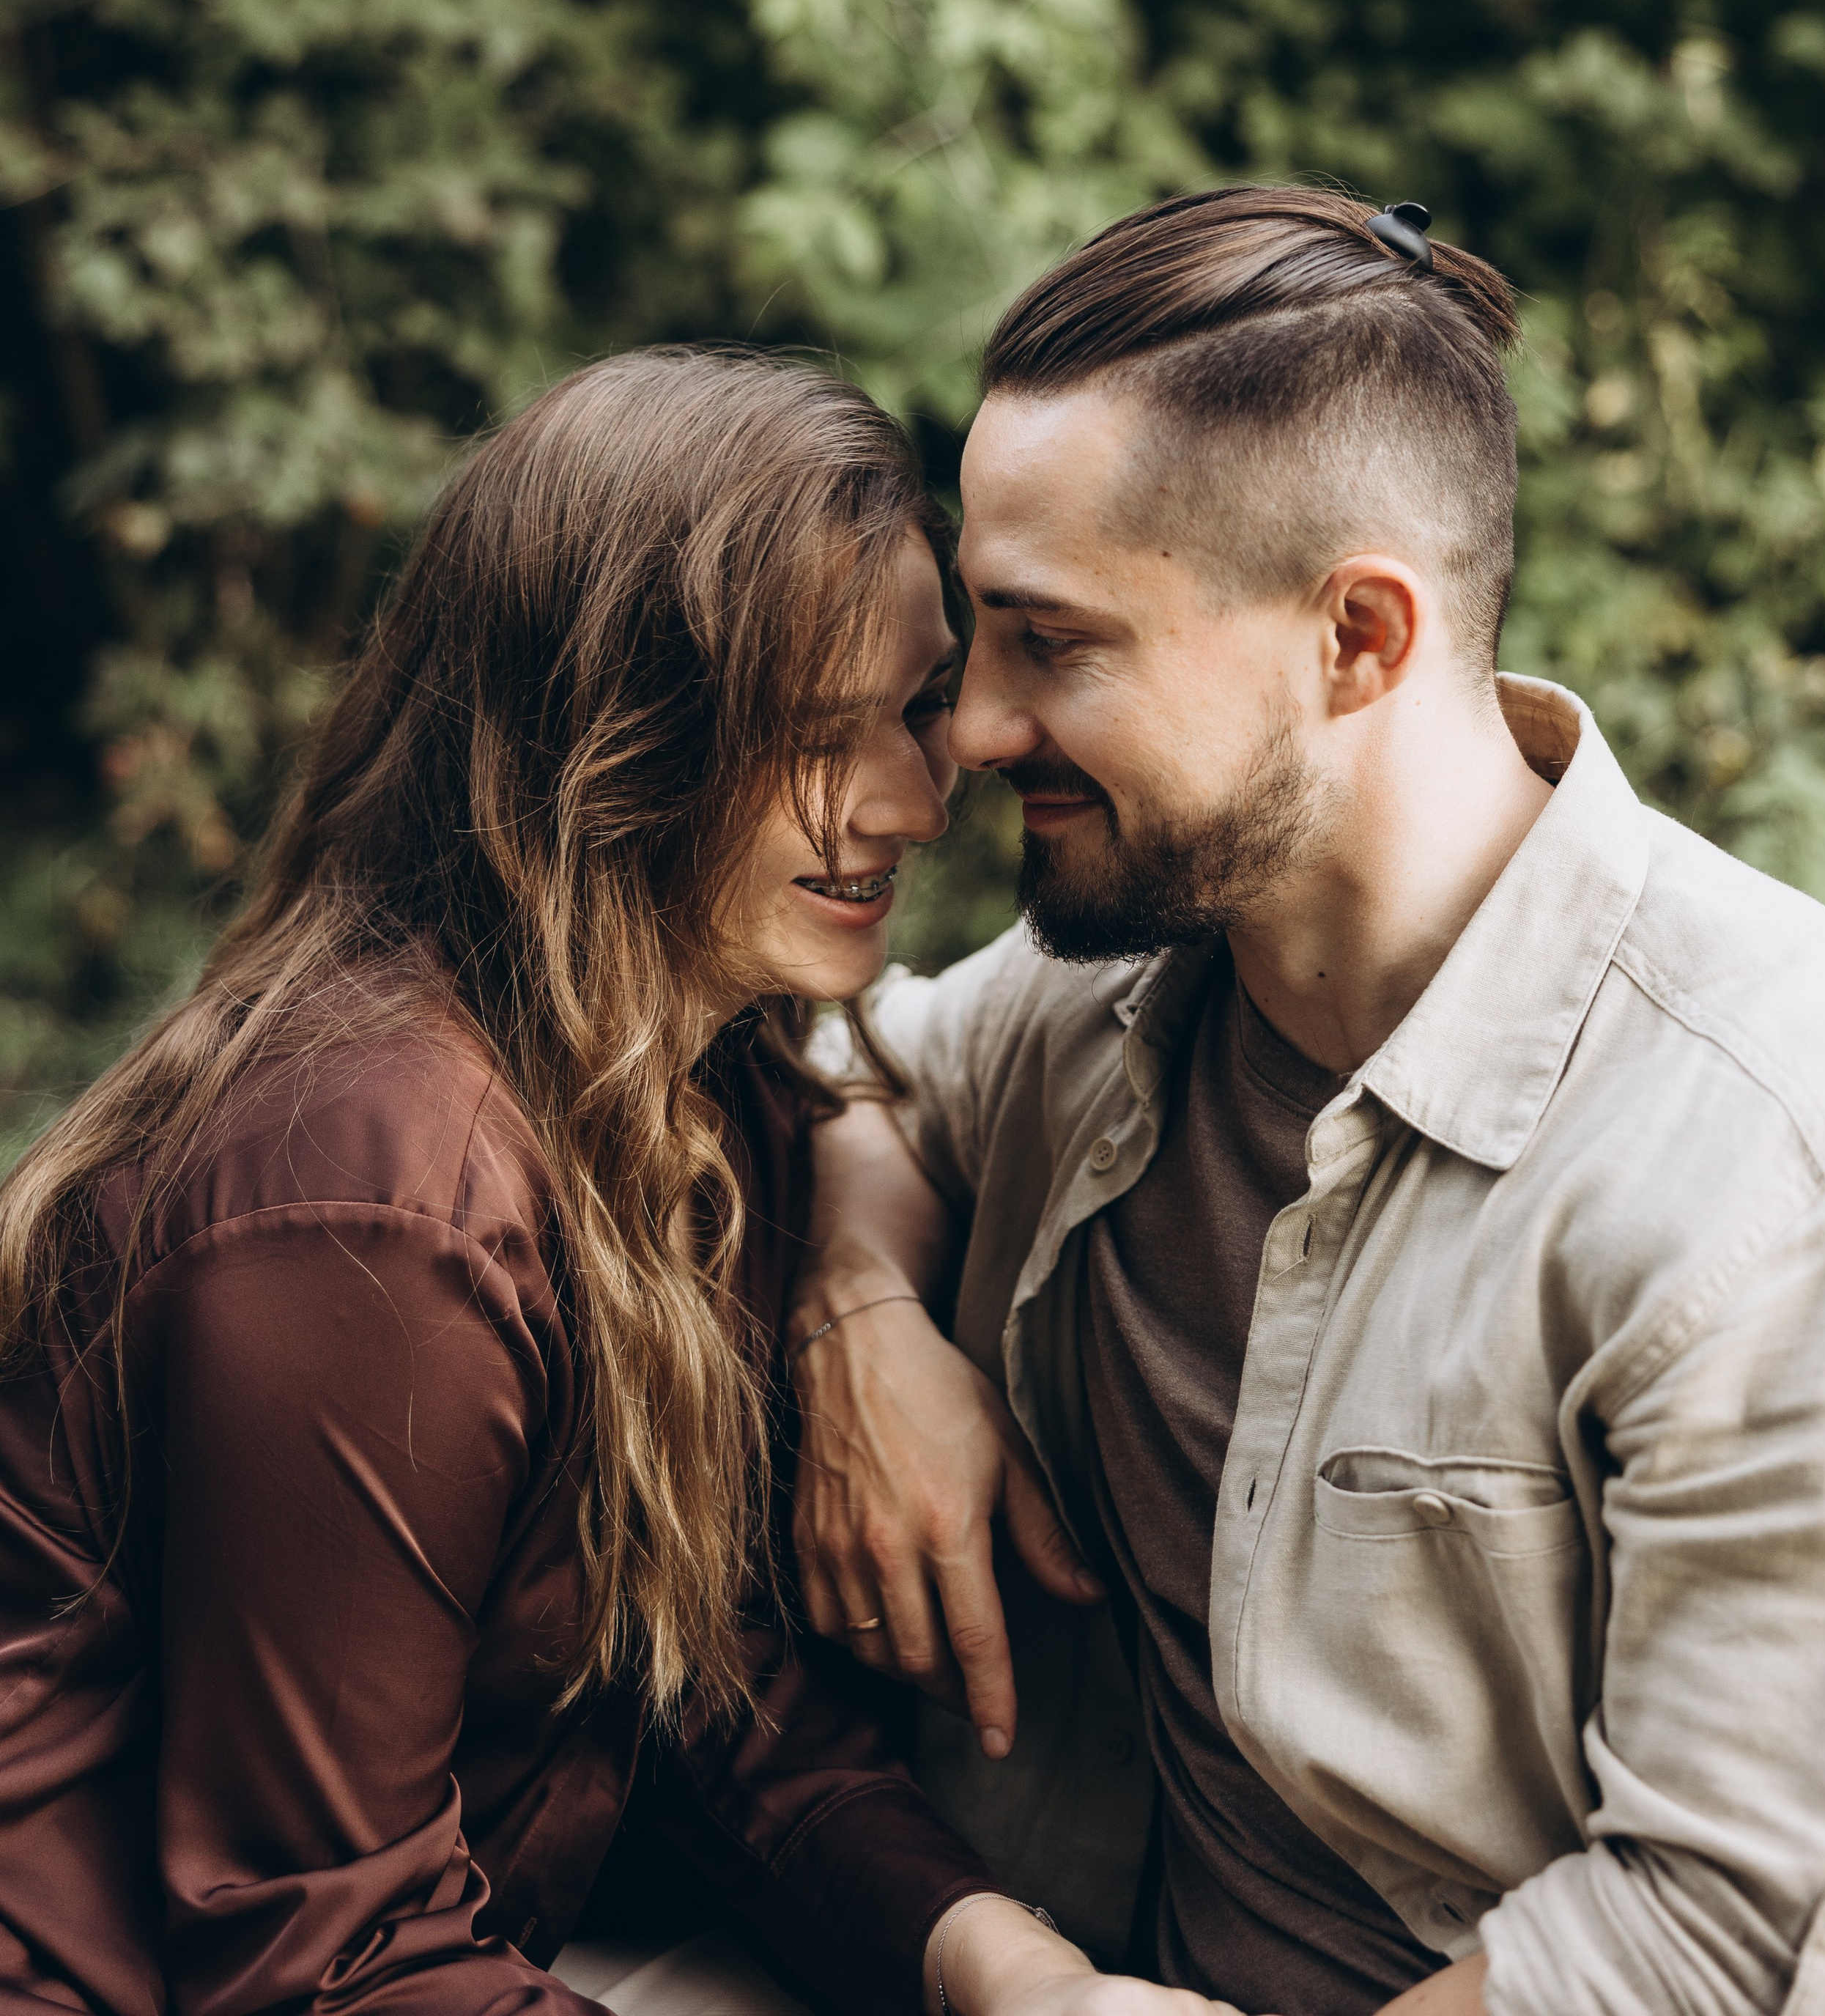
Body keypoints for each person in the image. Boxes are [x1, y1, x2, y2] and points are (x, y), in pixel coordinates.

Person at [0, 349, 1240, 2016]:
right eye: (817, 735)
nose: (920, 797)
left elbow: (706, 1700)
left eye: (914, 704)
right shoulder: (380, 1197)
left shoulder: (688, 1075)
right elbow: (319, 1959)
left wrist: (1010, 1973)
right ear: (610, 741)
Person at [787, 188, 1825, 2016]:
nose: (965, 731)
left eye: (1050, 644)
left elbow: (1715, 1932)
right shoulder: (1118, 985)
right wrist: (862, 1310)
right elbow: (848, 1073)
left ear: (1357, 639)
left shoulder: (1777, 1157)